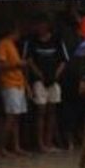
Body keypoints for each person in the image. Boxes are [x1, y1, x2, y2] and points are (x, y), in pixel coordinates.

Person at [24, 18, 69, 154]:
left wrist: (56, 75)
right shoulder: (31, 41)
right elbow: (29, 61)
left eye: (43, 25)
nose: (41, 28)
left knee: (52, 110)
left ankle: (49, 142)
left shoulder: (57, 40)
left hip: (54, 80)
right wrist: (39, 75)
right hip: (39, 80)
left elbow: (64, 60)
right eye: (38, 25)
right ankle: (40, 143)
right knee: (41, 111)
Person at [0, 24, 28, 155]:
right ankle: (2, 147)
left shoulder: (13, 45)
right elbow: (0, 65)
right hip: (9, 84)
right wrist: (18, 64)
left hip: (19, 83)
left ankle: (16, 146)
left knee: (17, 117)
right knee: (10, 116)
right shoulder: (3, 44)